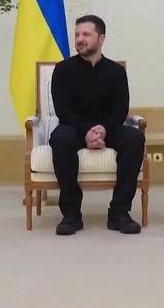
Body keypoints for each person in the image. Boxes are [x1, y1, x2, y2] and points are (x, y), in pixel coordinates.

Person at [50, 14, 145, 235]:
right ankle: (71, 214)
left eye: (86, 34)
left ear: (101, 39)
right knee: (60, 138)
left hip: (108, 127)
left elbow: (121, 110)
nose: (79, 39)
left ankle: (119, 212)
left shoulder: (116, 72)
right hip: (74, 127)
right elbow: (62, 110)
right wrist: (86, 132)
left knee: (134, 138)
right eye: (77, 35)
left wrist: (103, 129)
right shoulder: (63, 70)